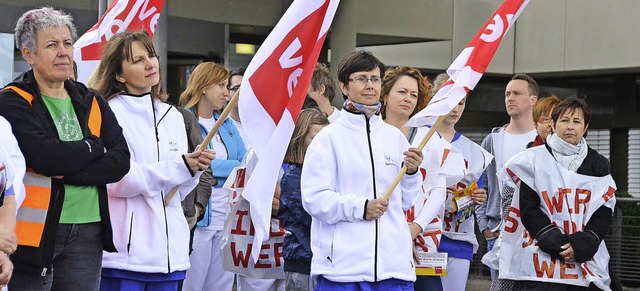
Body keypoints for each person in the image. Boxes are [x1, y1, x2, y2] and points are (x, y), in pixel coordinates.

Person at [0, 7, 130, 290]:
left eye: (67, 43)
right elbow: (45, 158)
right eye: (51, 45)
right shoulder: (11, 100)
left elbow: (121, 161)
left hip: (89, 229)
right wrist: (94, 147)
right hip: (32, 235)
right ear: (28, 54)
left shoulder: (92, 100)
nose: (63, 52)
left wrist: (67, 169)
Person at [93, 30, 214, 291]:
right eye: (137, 60)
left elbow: (179, 191)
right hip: (125, 259)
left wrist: (194, 168)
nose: (150, 64)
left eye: (151, 55)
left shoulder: (173, 115)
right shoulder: (107, 112)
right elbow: (117, 180)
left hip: (172, 258)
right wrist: (180, 167)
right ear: (118, 74)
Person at [301, 51, 424, 290]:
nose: (370, 85)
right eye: (362, 78)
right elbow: (314, 199)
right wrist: (361, 208)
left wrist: (411, 173)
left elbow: (406, 202)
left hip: (393, 270)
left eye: (375, 79)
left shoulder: (395, 138)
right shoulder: (328, 138)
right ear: (344, 87)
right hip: (343, 272)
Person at [497, 97, 617, 291]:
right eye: (564, 120)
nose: (570, 126)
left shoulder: (599, 164)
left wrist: (584, 244)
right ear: (553, 124)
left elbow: (604, 209)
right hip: (540, 257)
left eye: (576, 121)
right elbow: (529, 209)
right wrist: (557, 243)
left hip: (585, 258)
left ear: (585, 127)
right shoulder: (531, 160)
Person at [179, 62, 246, 291]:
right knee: (193, 283)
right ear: (204, 86)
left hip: (227, 216)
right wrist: (225, 168)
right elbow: (188, 162)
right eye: (220, 85)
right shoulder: (184, 120)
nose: (227, 93)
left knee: (222, 284)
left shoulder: (227, 123)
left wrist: (212, 168)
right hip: (199, 215)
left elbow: (243, 163)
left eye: (227, 86)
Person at [427, 73, 492, 291]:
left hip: (458, 236)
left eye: (461, 103)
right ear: (435, 99)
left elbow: (477, 191)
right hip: (422, 236)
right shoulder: (419, 139)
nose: (455, 109)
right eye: (450, 102)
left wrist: (478, 197)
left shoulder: (474, 152)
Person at [476, 74, 538, 286]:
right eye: (507, 94)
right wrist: (485, 225)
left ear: (533, 100)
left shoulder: (542, 140)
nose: (510, 98)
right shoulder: (493, 140)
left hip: (535, 234)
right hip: (499, 232)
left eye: (517, 93)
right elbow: (480, 184)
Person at [278, 109, 330, 291]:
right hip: (303, 264)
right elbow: (313, 217)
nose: (320, 145)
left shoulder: (325, 174)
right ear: (300, 139)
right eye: (314, 139)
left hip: (324, 263)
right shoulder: (293, 176)